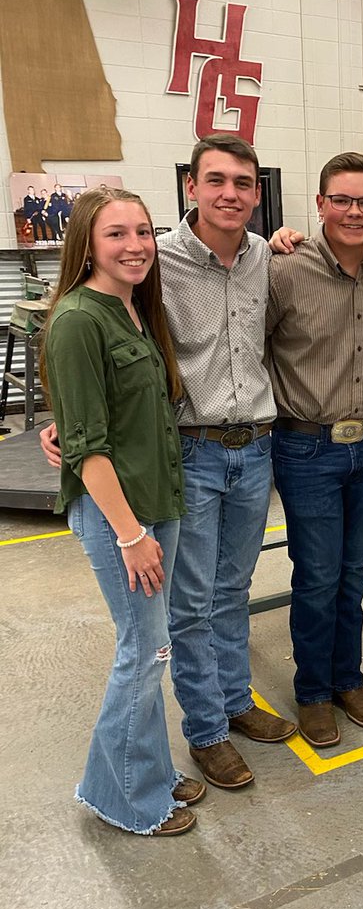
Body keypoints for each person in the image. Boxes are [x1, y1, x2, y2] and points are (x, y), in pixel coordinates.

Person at [42, 134, 296, 791]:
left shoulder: (266, 255)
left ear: (257, 192)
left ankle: (237, 703)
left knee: (232, 593)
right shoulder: (158, 260)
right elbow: (85, 330)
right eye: (216, 181)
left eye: (243, 183)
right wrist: (66, 425)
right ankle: (206, 730)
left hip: (255, 450)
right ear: (191, 187)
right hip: (192, 451)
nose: (230, 193)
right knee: (187, 605)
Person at [39, 188, 203, 835]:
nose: (134, 245)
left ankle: (151, 773)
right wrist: (131, 535)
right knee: (143, 651)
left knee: (152, 649)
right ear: (87, 245)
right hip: (121, 516)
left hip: (155, 503)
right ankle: (123, 798)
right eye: (116, 235)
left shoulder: (135, 308)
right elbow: (88, 446)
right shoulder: (79, 320)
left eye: (142, 231)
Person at [267, 153, 363, 747]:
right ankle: (313, 691)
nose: (354, 212)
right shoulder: (282, 269)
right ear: (320, 204)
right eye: (341, 200)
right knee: (318, 576)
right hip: (306, 448)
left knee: (353, 574)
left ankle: (348, 679)